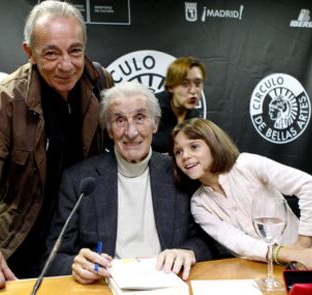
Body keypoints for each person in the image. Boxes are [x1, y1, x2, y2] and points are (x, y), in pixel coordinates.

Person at [0, 1, 113, 292]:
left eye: (75, 51)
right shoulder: (8, 97)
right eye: (51, 53)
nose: (66, 65)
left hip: (81, 245)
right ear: (30, 53)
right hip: (24, 241)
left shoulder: (102, 83)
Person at [45, 81, 212, 284]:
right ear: (109, 130)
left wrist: (189, 251)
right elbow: (54, 257)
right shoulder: (78, 179)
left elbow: (206, 240)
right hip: (105, 287)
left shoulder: (180, 172)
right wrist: (74, 265)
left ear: (155, 124)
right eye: (120, 120)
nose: (131, 132)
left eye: (140, 118)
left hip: (169, 283)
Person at [171, 118, 312, 268]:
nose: (185, 156)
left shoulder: (246, 165)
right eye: (178, 152)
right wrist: (288, 254)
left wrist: (301, 247)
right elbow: (239, 243)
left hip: (311, 264)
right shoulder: (198, 204)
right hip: (258, 273)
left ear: (213, 145)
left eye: (194, 146)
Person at [152, 56, 206, 153]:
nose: (193, 91)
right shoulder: (151, 109)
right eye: (185, 84)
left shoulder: (196, 117)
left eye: (197, 84)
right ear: (171, 87)